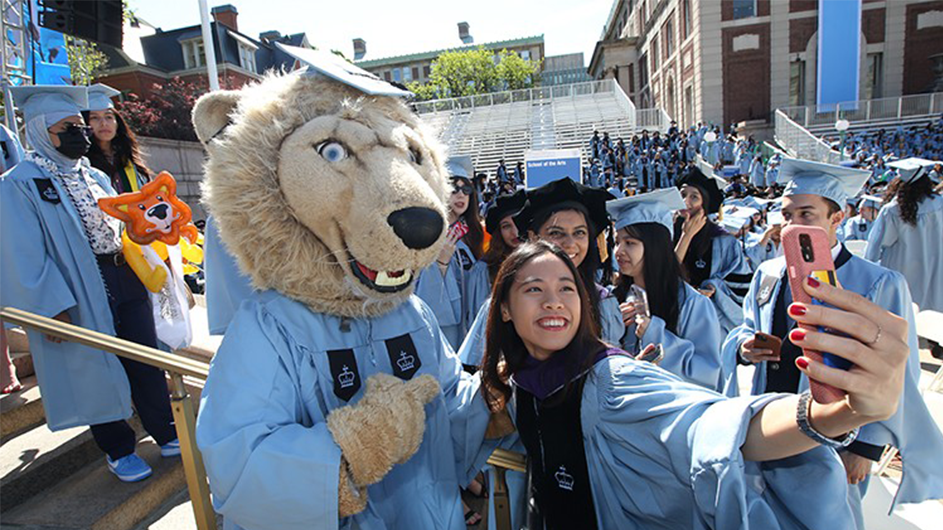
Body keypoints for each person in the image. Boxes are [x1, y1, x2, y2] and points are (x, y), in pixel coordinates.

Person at [479, 240, 914, 529]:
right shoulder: (519, 382)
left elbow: (714, 426)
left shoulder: (610, 382)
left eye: (567, 288)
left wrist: (837, 413)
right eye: (534, 289)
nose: (554, 300)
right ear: (503, 310)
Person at [722, 157, 943, 528]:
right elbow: (744, 328)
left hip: (838, 437)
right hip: (771, 423)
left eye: (806, 214)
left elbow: (896, 373)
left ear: (836, 219)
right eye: (787, 214)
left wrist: (865, 447)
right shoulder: (768, 274)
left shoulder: (876, 283)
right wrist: (745, 347)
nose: (793, 225)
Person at [0, 85, 179, 483]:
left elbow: (121, 225)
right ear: (40, 131)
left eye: (80, 125)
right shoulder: (21, 183)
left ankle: (164, 429)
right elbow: (21, 252)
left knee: (143, 354)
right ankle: (118, 448)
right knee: (95, 365)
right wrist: (49, 307)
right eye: (68, 127)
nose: (80, 133)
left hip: (123, 275)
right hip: (77, 286)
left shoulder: (95, 174)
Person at [608, 189, 724, 390]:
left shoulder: (693, 304)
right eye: (617, 242)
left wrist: (654, 332)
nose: (619, 251)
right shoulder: (614, 299)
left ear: (656, 247)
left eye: (630, 243)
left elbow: (707, 375)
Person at [512, 178, 624, 345]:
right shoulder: (510, 299)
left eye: (579, 233)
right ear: (533, 237)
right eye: (556, 233)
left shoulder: (603, 302)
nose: (570, 244)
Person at [416, 155, 489, 349]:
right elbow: (422, 299)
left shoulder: (470, 234)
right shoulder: (425, 236)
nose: (461, 194)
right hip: (444, 334)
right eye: (453, 188)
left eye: (466, 189)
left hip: (472, 326)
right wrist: (440, 264)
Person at [673, 166, 753, 335]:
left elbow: (742, 286)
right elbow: (662, 276)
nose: (686, 202)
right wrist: (686, 237)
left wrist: (714, 287)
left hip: (711, 323)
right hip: (673, 318)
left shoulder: (724, 242)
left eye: (694, 197)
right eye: (682, 195)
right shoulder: (667, 233)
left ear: (705, 203)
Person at [867, 157, 943, 312]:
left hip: (904, 271)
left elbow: (879, 244)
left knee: (907, 314)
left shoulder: (893, 210)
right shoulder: (939, 203)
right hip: (936, 267)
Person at [82, 84, 150, 194]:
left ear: (117, 123)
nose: (104, 123)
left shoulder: (128, 158)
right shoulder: (83, 163)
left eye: (108, 117)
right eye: (94, 117)